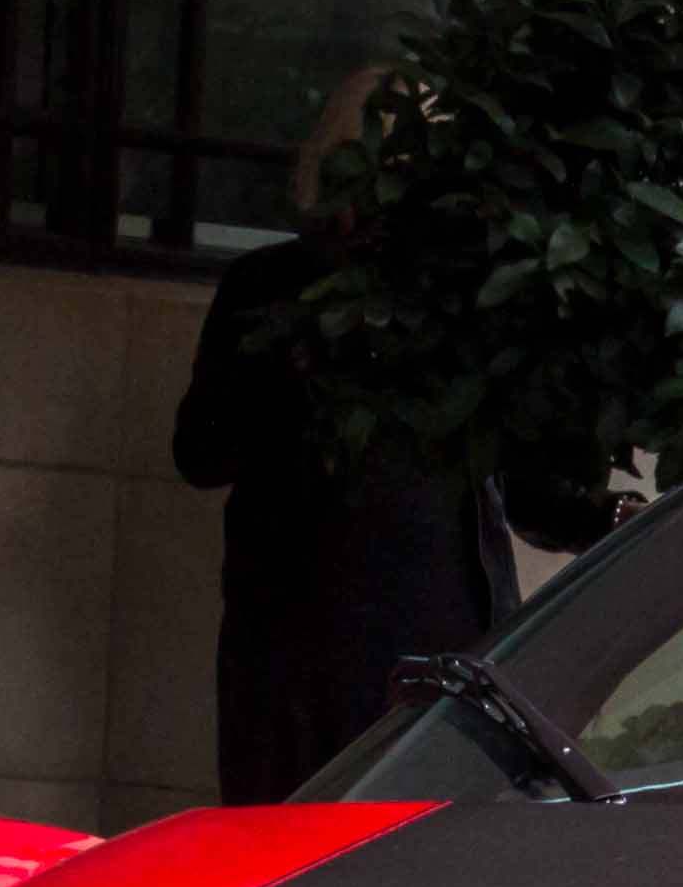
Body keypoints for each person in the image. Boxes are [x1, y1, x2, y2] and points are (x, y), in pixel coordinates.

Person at [170, 66, 528, 804]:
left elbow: (528, 481)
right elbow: (202, 451)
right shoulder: (274, 287)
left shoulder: (471, 299)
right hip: (311, 650)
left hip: (430, 643)